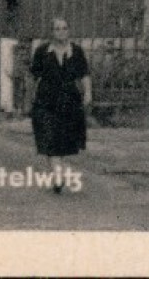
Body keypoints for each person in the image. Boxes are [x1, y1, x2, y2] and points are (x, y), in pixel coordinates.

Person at [29, 17, 90, 193]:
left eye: (64, 28)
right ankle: (58, 175)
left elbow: (84, 74)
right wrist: (30, 98)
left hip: (69, 101)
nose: (61, 32)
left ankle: (58, 172)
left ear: (69, 31)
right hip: (46, 100)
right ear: (52, 32)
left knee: (63, 139)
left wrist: (88, 94)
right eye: (57, 29)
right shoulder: (42, 51)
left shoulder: (76, 52)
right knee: (49, 137)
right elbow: (33, 76)